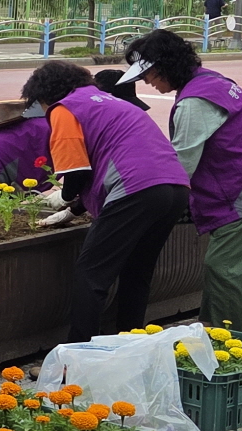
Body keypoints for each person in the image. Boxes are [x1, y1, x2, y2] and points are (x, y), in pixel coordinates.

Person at [119, 29, 242, 332]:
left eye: (147, 73)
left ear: (165, 65)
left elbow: (181, 164)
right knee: (222, 265)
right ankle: (215, 331)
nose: (146, 82)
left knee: (226, 267)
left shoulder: (195, 101)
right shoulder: (211, 81)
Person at [22, 61, 190, 341]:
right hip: (174, 188)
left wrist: (61, 199)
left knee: (91, 274)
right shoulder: (112, 103)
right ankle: (129, 344)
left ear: (44, 95)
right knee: (137, 272)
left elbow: (76, 172)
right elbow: (109, 159)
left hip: (136, 189)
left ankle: (78, 358)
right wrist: (75, 209)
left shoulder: (64, 109)